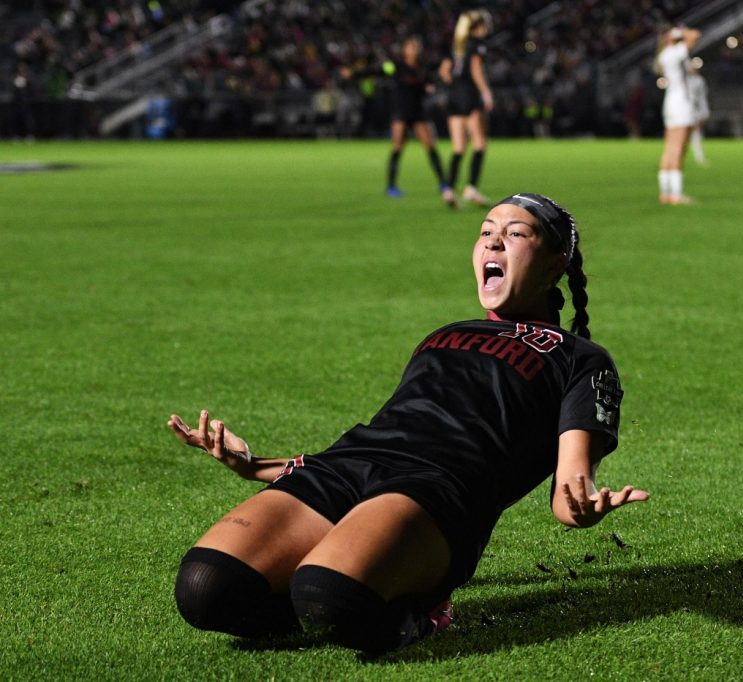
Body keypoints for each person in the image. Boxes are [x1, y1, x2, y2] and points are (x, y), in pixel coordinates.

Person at [167, 192, 649, 655]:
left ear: (555, 262)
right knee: (205, 588)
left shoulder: (580, 359)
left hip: (436, 490)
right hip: (347, 467)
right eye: (485, 232)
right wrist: (256, 467)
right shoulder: (444, 335)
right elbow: (395, 432)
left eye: (515, 233)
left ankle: (418, 612)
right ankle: (335, 587)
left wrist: (581, 507)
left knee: (326, 594)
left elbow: (572, 485)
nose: (493, 242)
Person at [341, 37, 448, 199]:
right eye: (411, 46)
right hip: (400, 112)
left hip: (418, 112)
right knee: (397, 147)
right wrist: (355, 74)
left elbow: (431, 81)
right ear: (404, 50)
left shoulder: (423, 68)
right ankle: (391, 186)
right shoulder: (396, 66)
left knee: (431, 146)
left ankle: (444, 183)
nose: (415, 49)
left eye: (417, 46)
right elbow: (376, 70)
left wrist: (431, 85)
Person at [439, 9, 494, 208]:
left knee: (458, 147)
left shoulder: (455, 46)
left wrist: (454, 83)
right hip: (470, 96)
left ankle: (448, 189)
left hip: (454, 96)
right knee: (479, 143)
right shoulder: (477, 45)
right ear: (478, 27)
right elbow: (476, 69)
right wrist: (486, 92)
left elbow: (444, 72)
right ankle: (471, 187)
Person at [655, 25, 701, 205]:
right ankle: (676, 194)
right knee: (679, 148)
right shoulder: (674, 52)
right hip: (681, 103)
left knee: (669, 148)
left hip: (670, 103)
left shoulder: (664, 55)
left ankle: (666, 193)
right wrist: (680, 32)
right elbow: (696, 34)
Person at [687, 59, 710, 165]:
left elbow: (702, 98)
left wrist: (704, 111)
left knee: (696, 132)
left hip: (693, 109)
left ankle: (699, 156)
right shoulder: (683, 79)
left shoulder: (700, 80)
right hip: (682, 109)